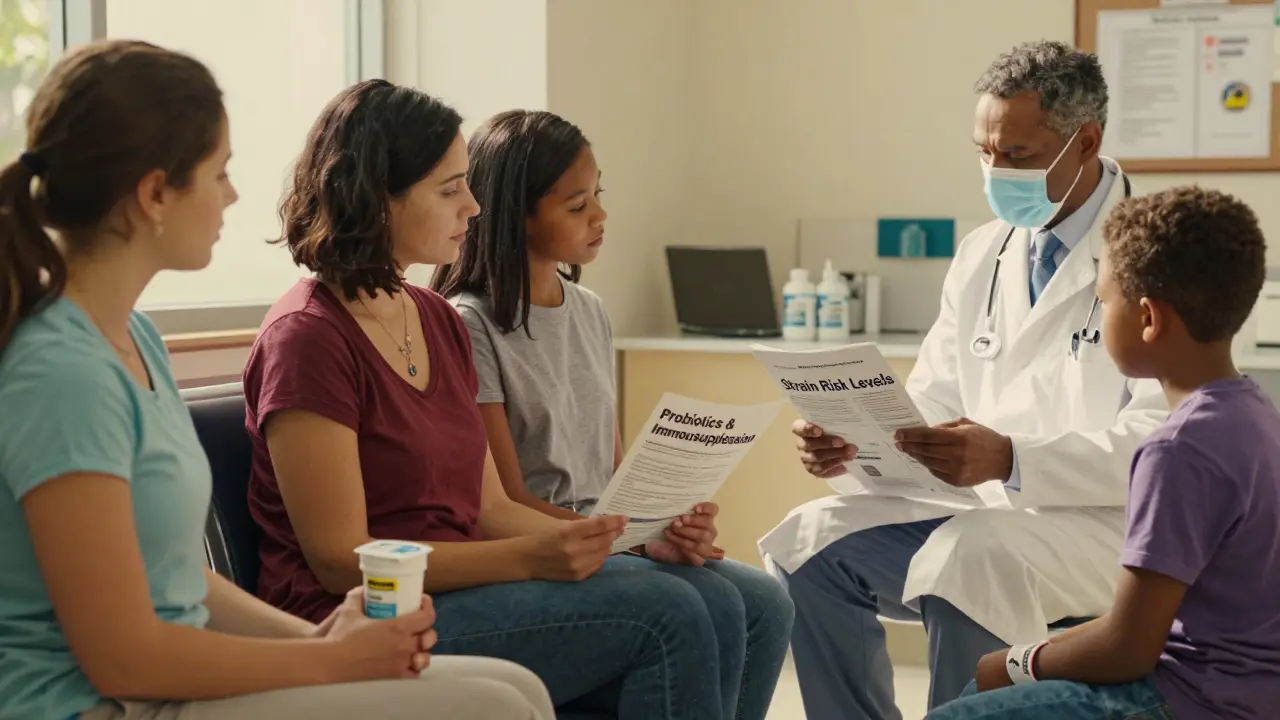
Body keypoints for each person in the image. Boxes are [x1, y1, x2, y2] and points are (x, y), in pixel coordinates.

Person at [0, 40, 552, 720]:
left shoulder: (134, 337)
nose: (233, 194)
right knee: (493, 708)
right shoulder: (61, 373)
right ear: (153, 194)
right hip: (96, 704)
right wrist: (326, 660)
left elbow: (179, 581)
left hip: (163, 682)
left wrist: (325, 641)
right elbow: (120, 655)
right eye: (219, 172)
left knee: (514, 690)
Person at [245, 80, 735, 719]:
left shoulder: (434, 319)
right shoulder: (307, 338)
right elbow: (341, 563)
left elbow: (490, 506)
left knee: (727, 602)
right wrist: (529, 558)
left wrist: (631, 539)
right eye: (449, 190)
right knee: (664, 612)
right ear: (376, 200)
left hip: (464, 588)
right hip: (368, 617)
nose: (474, 207)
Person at [764, 40, 1169, 718]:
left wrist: (1013, 458)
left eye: (1016, 156)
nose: (994, 171)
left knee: (970, 561)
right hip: (983, 512)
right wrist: (855, 443)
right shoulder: (984, 252)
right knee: (808, 544)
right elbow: (934, 400)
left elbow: (1164, 442)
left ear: (1086, 141)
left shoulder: (1156, 250)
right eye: (983, 152)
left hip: (1106, 530)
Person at [431, 109, 796, 720]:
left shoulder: (590, 310)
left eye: (597, 195)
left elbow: (614, 468)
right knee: (714, 604)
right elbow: (507, 496)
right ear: (513, 214)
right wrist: (627, 539)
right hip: (543, 543)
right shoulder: (469, 323)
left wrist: (666, 521)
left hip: (606, 536)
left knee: (766, 600)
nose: (599, 216)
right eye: (576, 206)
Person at [926, 187, 1279, 719]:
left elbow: (1128, 647)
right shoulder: (1254, 416)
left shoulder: (1176, 450)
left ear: (1148, 319)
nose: (1100, 310)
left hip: (1187, 699)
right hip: (1250, 690)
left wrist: (1016, 664)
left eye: (1104, 298)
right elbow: (1142, 618)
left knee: (960, 710)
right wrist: (1023, 660)